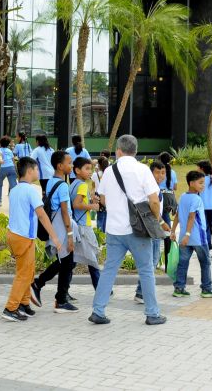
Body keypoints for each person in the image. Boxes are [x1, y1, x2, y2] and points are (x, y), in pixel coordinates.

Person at [89, 135, 166, 326]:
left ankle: (98, 310)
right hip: (138, 230)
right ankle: (152, 313)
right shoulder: (142, 169)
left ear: (118, 150)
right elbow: (154, 200)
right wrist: (155, 219)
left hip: (114, 229)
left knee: (109, 270)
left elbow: (103, 199)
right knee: (146, 270)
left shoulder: (109, 171)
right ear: (136, 151)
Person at [1, 157, 62, 322]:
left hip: (15, 235)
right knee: (23, 274)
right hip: (23, 237)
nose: (38, 172)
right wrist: (55, 237)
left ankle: (24, 303)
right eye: (36, 169)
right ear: (30, 171)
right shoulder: (30, 191)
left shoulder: (14, 189)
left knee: (29, 271)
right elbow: (41, 214)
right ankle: (10, 308)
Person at [30, 151, 77, 313]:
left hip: (56, 227)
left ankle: (49, 290)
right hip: (63, 228)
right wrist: (70, 235)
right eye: (69, 163)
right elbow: (65, 211)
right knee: (68, 262)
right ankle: (59, 299)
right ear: (60, 166)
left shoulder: (51, 182)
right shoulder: (63, 185)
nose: (71, 166)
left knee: (66, 262)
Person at [169, 171, 212, 298]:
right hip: (198, 238)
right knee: (205, 263)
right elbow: (192, 216)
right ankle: (207, 288)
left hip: (184, 239)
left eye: (203, 183)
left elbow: (177, 216)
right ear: (191, 183)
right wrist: (187, 234)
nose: (203, 186)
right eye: (200, 183)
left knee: (183, 263)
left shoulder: (182, 196)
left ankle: (179, 288)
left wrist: (173, 231)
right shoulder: (197, 199)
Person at [135, 160, 167, 304]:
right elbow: (152, 207)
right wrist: (160, 222)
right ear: (150, 173)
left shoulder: (156, 188)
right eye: (157, 172)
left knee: (150, 261)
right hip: (152, 227)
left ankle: (141, 292)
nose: (160, 176)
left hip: (152, 227)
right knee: (151, 261)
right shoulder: (152, 189)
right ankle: (142, 293)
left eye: (163, 172)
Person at [69, 157, 101, 289]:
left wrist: (91, 200)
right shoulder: (82, 185)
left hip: (76, 224)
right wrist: (92, 206)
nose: (90, 171)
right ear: (77, 170)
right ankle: (101, 288)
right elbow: (77, 204)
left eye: (91, 169)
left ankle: (64, 291)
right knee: (92, 259)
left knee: (73, 261)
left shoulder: (73, 184)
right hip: (83, 226)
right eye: (87, 169)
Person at [197, 160, 212, 251]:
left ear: (201, 168)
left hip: (203, 207)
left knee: (205, 228)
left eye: (197, 167)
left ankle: (208, 246)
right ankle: (210, 246)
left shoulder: (200, 180)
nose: (196, 169)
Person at [0, 135, 17, 206]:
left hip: (4, 167)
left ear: (0, 143)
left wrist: (1, 160)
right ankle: (16, 202)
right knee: (13, 186)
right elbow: (13, 160)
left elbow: (0, 155)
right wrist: (14, 168)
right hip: (12, 168)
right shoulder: (10, 150)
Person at [91, 156, 109, 232]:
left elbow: (92, 186)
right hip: (107, 196)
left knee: (100, 216)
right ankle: (104, 234)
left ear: (99, 164)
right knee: (106, 216)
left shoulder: (95, 174)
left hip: (99, 196)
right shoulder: (108, 174)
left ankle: (99, 235)